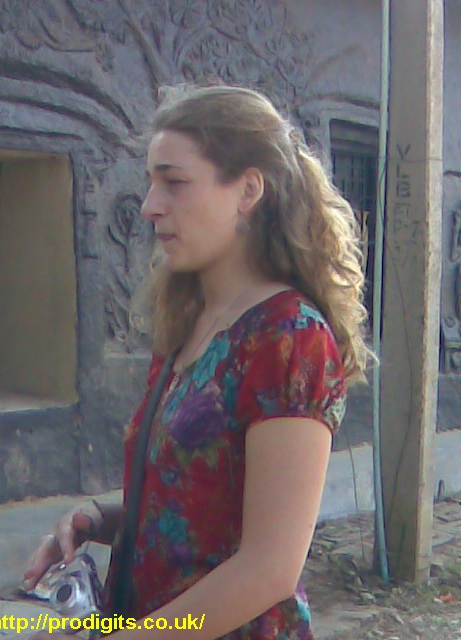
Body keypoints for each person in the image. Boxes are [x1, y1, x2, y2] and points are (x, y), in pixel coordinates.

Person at [26, 84, 371, 640]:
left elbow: (268, 568)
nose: (150, 205)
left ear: (248, 191)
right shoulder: (191, 324)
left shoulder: (290, 338)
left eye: (175, 182)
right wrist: (96, 518)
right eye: (150, 182)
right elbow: (192, 506)